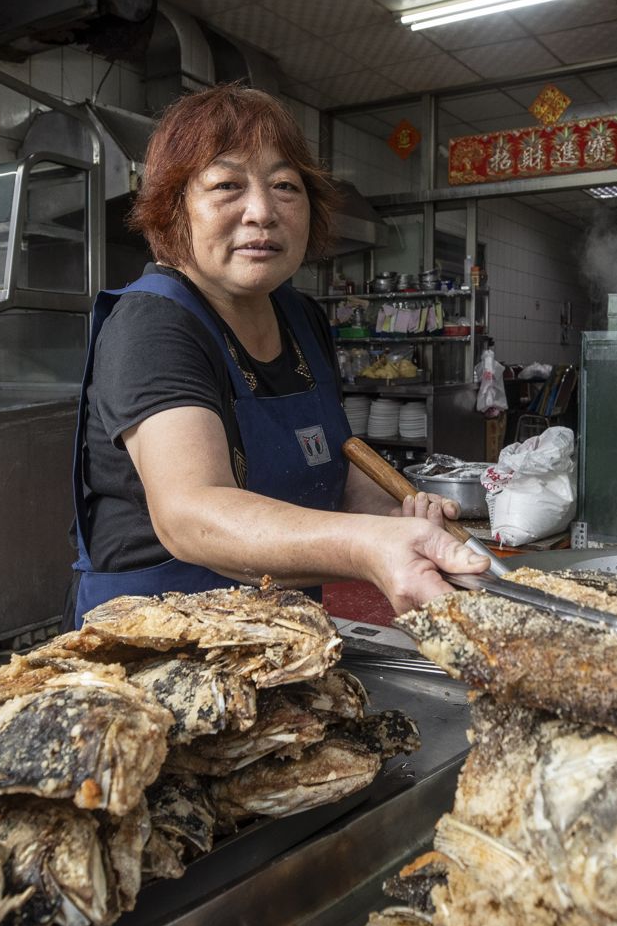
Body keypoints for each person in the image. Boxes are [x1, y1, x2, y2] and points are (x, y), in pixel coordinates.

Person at [71, 85, 488, 627]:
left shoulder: (301, 316)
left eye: (285, 185)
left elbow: (335, 465)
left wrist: (397, 518)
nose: (262, 212)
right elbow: (190, 513)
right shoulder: (154, 324)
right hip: (158, 634)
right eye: (226, 185)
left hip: (283, 630)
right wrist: (369, 545)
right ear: (174, 210)